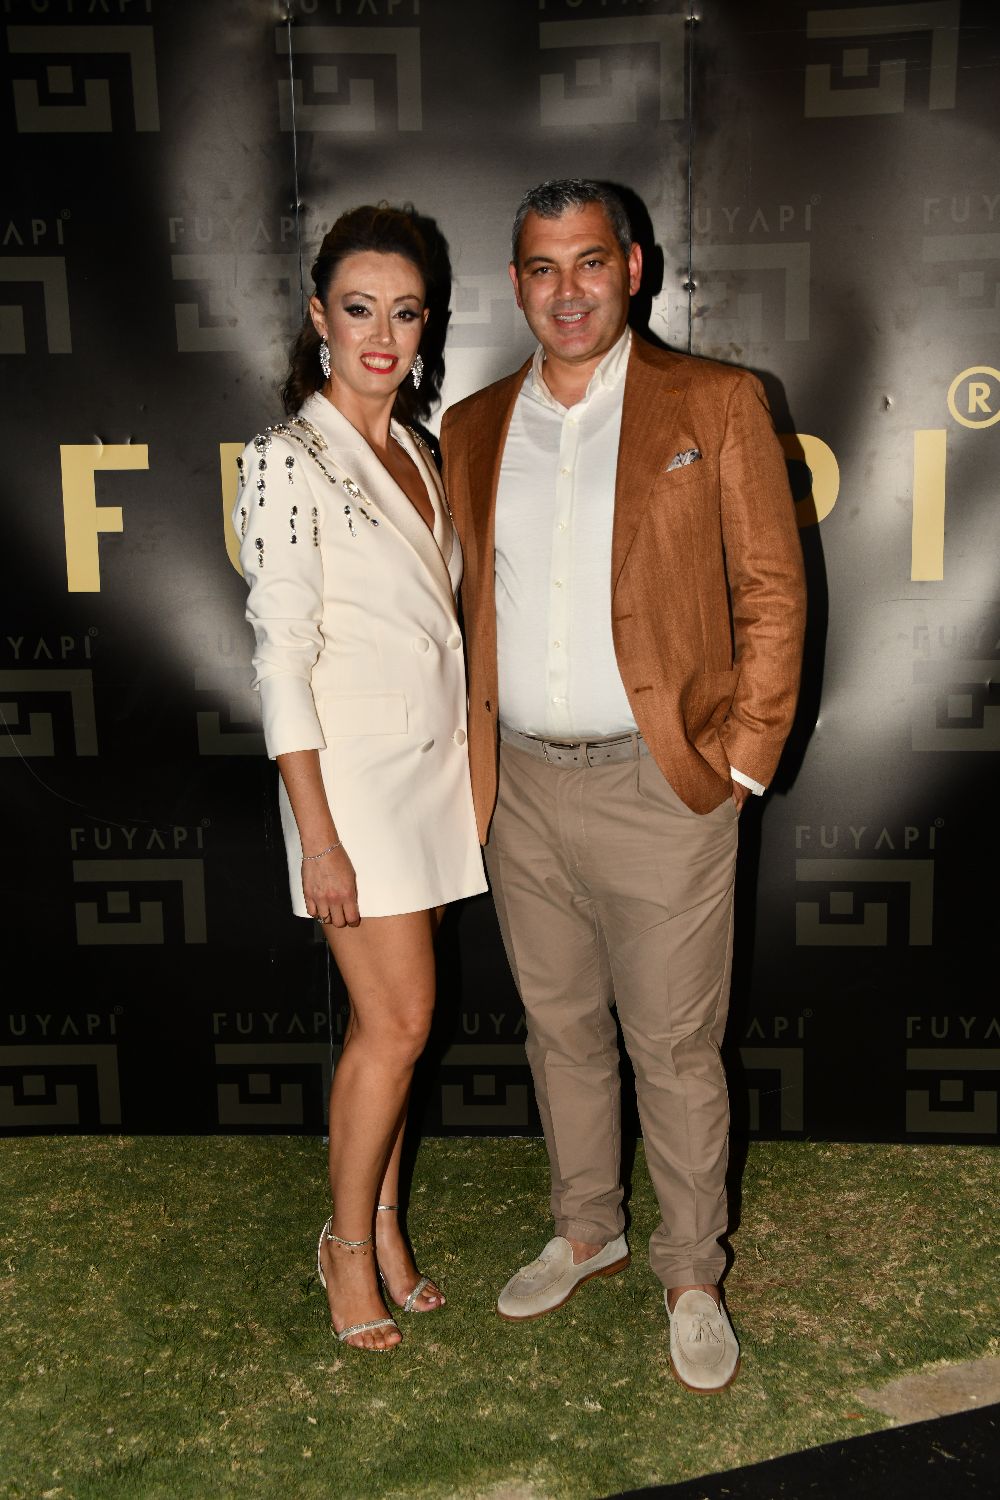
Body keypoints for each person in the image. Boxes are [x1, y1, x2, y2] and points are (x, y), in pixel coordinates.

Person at [440, 180, 806, 1392]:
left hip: (663, 784)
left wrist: (738, 761)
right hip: (520, 787)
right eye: (543, 268)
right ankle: (586, 1226)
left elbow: (771, 590)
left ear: (633, 268)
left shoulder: (715, 402)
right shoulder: (472, 426)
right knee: (558, 1029)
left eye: (589, 262)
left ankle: (692, 1272)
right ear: (516, 284)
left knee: (675, 1045)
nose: (568, 291)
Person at [233, 205, 487, 1353]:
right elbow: (279, 661)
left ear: (426, 327)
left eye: (405, 312)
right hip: (352, 791)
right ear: (317, 318)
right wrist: (318, 837)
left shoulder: (420, 452)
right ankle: (343, 1247)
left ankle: (383, 1224)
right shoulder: (288, 458)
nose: (382, 335)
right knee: (398, 1022)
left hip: (428, 782)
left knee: (397, 1030)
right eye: (358, 309)